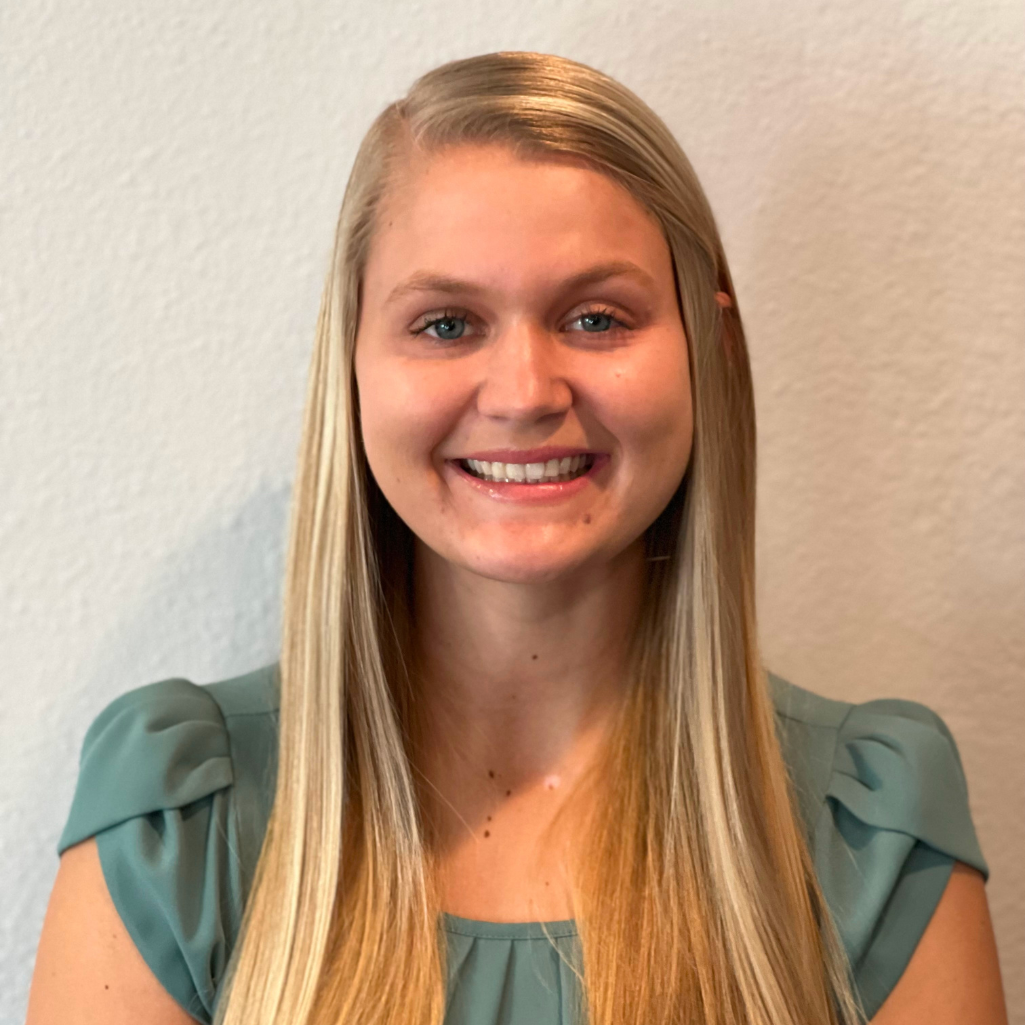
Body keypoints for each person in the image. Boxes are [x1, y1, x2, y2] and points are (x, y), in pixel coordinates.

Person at [26, 51, 1007, 1025]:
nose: (524, 392)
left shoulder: (869, 831)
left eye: (595, 316)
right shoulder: (179, 822)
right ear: (353, 360)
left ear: (708, 351)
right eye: (447, 324)